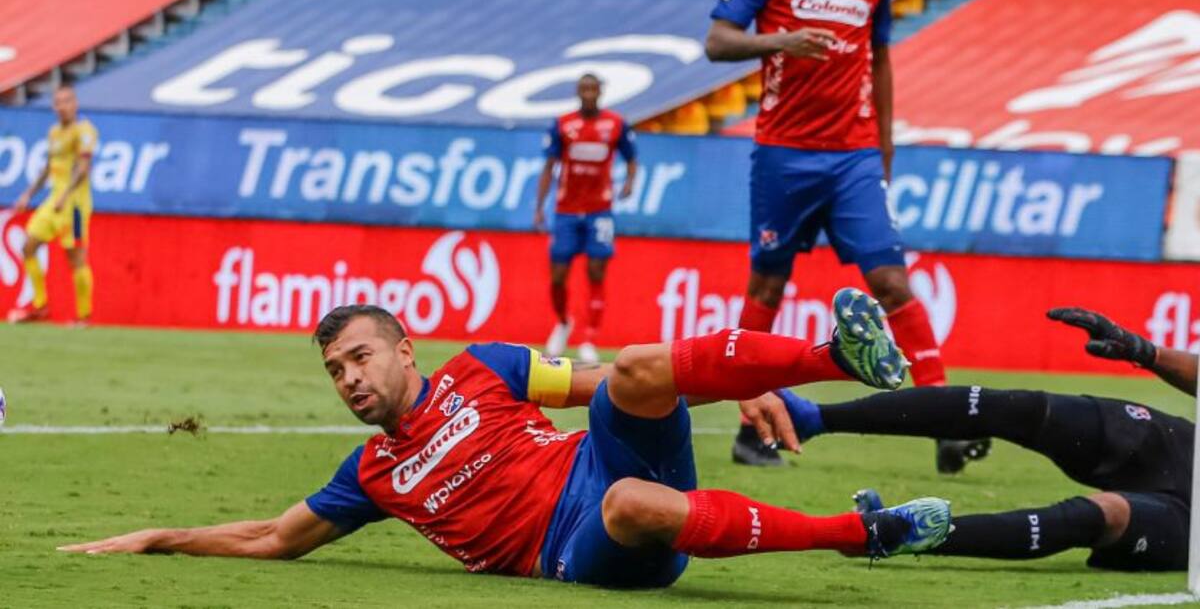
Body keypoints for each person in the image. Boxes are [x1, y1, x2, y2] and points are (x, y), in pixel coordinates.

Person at [61, 290, 954, 586]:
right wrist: (159, 535)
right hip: (576, 544)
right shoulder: (371, 473)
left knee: (642, 363)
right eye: (335, 372)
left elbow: (615, 385)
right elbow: (272, 538)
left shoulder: (483, 368)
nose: (350, 380)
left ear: (405, 350)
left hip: (599, 458)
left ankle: (832, 355)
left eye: (360, 358)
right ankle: (863, 533)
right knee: (634, 504)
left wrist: (744, 387)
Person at [703, 0, 972, 471]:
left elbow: (879, 61)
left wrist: (884, 148)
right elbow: (717, 41)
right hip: (783, 154)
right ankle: (754, 426)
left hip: (852, 156)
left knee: (891, 281)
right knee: (767, 285)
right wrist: (780, 39)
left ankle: (947, 418)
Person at [769, 307, 1195, 571]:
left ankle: (892, 534)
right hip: (1182, 448)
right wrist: (1142, 350)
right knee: (1022, 408)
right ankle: (813, 418)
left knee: (1105, 515)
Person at [533, 73, 637, 363]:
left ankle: (590, 337)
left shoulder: (615, 124)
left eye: (593, 89)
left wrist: (629, 182)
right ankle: (564, 322)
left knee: (596, 270)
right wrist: (540, 206)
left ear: (600, 92)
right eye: (584, 89)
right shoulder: (563, 124)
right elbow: (549, 165)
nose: (589, 94)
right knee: (557, 275)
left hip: (599, 210)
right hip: (566, 209)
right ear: (578, 92)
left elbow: (631, 158)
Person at [8, 84, 97, 325]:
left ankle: (84, 317)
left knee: (75, 258)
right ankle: (40, 306)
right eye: (58, 102)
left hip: (74, 205)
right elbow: (48, 168)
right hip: (52, 202)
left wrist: (66, 195)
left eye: (66, 101)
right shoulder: (54, 133)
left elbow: (83, 168)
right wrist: (28, 194)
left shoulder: (84, 130)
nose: (62, 107)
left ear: (75, 103)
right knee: (28, 247)